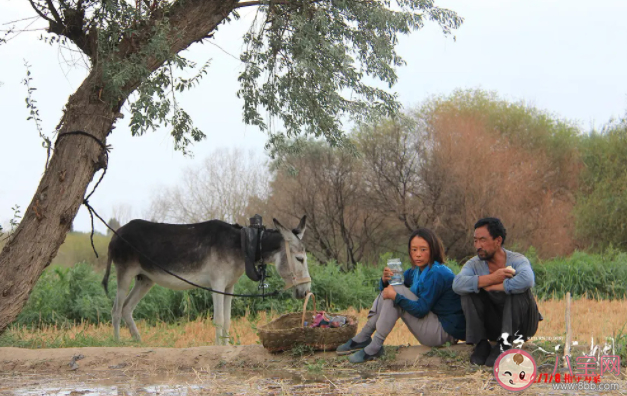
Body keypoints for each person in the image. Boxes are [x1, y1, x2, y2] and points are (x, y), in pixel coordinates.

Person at [336, 228, 466, 363]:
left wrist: (396, 296)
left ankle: (374, 346)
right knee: (394, 288)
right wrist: (385, 280)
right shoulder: (416, 271)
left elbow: (421, 310)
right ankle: (364, 337)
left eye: (423, 249)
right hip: (433, 325)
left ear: (433, 250)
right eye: (414, 249)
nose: (418, 254)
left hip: (444, 333)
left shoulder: (437, 273)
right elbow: (390, 289)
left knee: (396, 291)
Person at [452, 217, 541, 367]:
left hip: (522, 325)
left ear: (498, 241)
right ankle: (481, 344)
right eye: (475, 241)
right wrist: (492, 278)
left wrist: (495, 286)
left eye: (483, 240)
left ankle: (504, 344)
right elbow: (457, 284)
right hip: (493, 324)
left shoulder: (517, 260)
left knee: (519, 290)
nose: (478, 245)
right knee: (468, 291)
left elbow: (527, 280)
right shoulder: (474, 264)